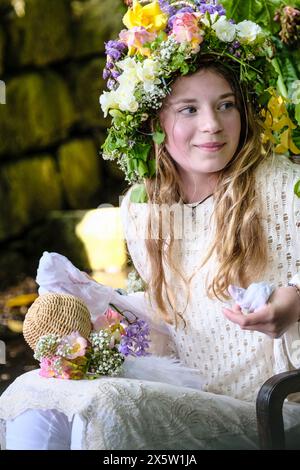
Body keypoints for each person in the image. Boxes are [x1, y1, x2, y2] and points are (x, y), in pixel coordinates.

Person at [1, 0, 300, 450]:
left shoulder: (279, 186)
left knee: (108, 404)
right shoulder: (147, 212)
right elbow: (176, 321)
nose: (212, 125)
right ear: (154, 120)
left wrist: (294, 301)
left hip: (267, 408)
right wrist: (104, 315)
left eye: (226, 105)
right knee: (36, 390)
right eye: (188, 109)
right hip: (190, 393)